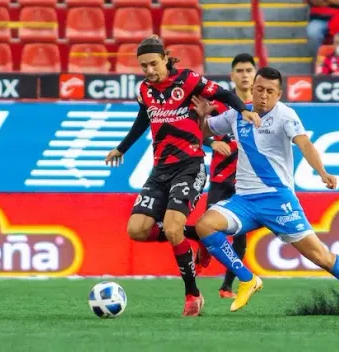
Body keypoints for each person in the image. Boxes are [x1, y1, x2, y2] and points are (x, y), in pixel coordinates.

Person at [191, 67, 339, 317]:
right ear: (252, 90)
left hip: (277, 200)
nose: (263, 96)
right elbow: (203, 133)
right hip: (244, 200)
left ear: (279, 95)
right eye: (259, 90)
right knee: (205, 226)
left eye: (270, 91)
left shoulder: (285, 116)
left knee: (321, 256)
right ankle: (247, 279)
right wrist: (202, 118)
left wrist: (322, 172)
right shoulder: (239, 113)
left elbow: (304, 144)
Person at [104, 35, 260, 317]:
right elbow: (144, 119)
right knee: (137, 230)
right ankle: (199, 237)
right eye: (144, 66)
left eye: (153, 63)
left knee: (173, 229)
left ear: (165, 58)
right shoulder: (144, 90)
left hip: (190, 165)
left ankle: (192, 294)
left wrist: (244, 110)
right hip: (160, 169)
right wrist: (121, 147)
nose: (149, 70)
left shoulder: (187, 81)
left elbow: (222, 94)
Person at [201, 53, 256, 299]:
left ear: (255, 74)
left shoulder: (262, 105)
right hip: (221, 178)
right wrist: (212, 142)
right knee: (210, 224)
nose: (245, 75)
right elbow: (198, 131)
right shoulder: (220, 104)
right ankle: (204, 248)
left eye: (248, 70)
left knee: (240, 239)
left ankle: (227, 286)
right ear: (231, 75)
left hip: (247, 183)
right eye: (240, 71)